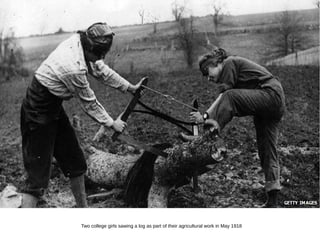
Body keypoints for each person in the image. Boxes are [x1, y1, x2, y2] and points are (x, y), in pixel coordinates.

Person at [20, 22, 144, 208]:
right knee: (37, 180)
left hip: (53, 107)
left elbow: (101, 70)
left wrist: (129, 87)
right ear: (92, 48)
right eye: (98, 55)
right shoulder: (73, 66)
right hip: (37, 110)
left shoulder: (82, 43)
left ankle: (83, 211)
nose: (99, 59)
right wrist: (112, 124)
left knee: (76, 163)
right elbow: (89, 102)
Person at [190, 48, 285, 207]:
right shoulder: (228, 68)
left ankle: (208, 139)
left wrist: (206, 118)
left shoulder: (228, 63)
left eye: (208, 72)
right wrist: (205, 116)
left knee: (231, 97)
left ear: (217, 63)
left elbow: (227, 97)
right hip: (272, 103)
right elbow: (223, 97)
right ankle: (272, 198)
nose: (208, 78)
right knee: (266, 149)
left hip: (270, 94)